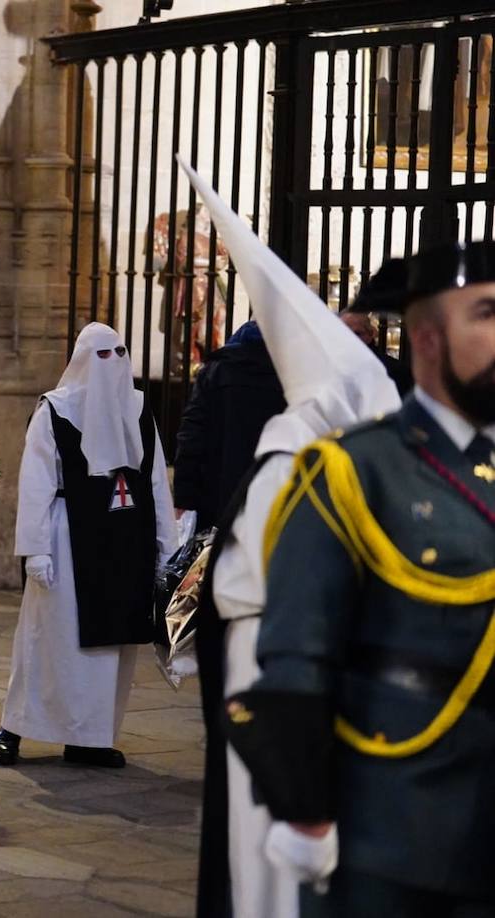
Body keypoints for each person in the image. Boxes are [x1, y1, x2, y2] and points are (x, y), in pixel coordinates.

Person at [225, 240, 495, 917]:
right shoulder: (353, 471)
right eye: (486, 314)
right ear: (428, 338)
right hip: (392, 818)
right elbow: (296, 658)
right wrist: (308, 814)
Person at [177, 162, 401, 918]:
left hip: (322, 672)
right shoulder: (290, 457)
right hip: (276, 674)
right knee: (272, 861)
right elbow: (260, 582)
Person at [0, 321, 176, 770]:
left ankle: (90, 738)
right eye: (102, 355)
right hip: (67, 540)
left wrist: (165, 548)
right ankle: (12, 729)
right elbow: (35, 481)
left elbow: (154, 480)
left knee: (109, 648)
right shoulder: (56, 410)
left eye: (120, 353)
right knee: (50, 640)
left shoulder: (137, 408)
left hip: (125, 542)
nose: (112, 363)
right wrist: (35, 549)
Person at [173, 319, 285, 532]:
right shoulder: (288, 376)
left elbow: (192, 435)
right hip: (273, 491)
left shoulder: (216, 371)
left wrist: (184, 497)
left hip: (217, 493)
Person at [339, 309, 414, 397]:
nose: (350, 338)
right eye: (344, 332)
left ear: (371, 334)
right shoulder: (331, 364)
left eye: (357, 333)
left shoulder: (393, 371)